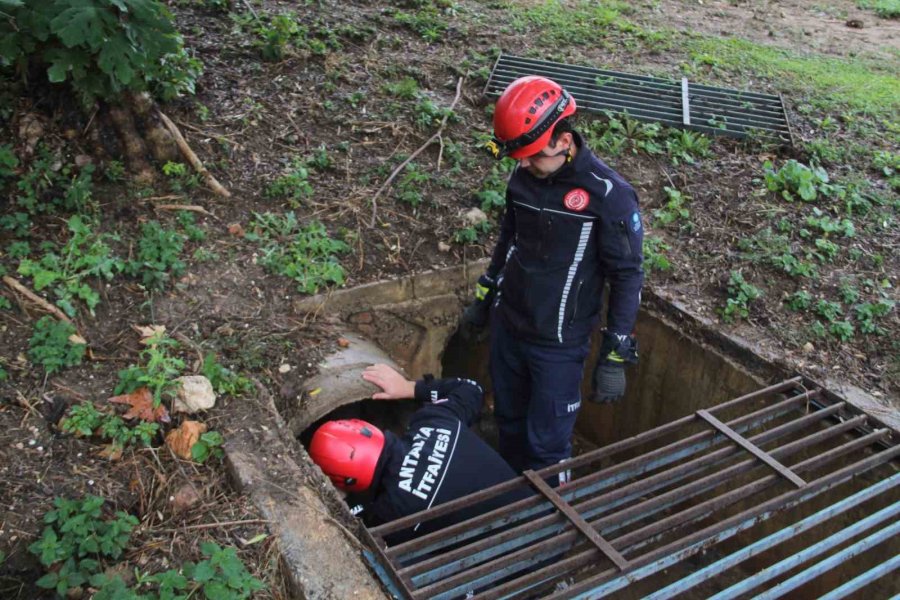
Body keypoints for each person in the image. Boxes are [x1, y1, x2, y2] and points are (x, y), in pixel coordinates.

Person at [462, 75, 644, 480]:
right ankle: (507, 504)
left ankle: (549, 534)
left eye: (532, 155)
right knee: (509, 422)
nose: (524, 164)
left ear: (563, 142)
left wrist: (615, 353)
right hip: (510, 326)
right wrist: (485, 296)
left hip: (558, 344)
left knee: (546, 447)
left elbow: (627, 275)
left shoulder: (608, 196)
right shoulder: (524, 177)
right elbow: (509, 238)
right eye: (519, 157)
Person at [308, 364, 530, 543]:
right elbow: (472, 389)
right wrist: (410, 388)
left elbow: (361, 533)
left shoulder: (391, 512)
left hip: (516, 570)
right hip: (545, 517)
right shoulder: (434, 420)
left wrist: (346, 500)